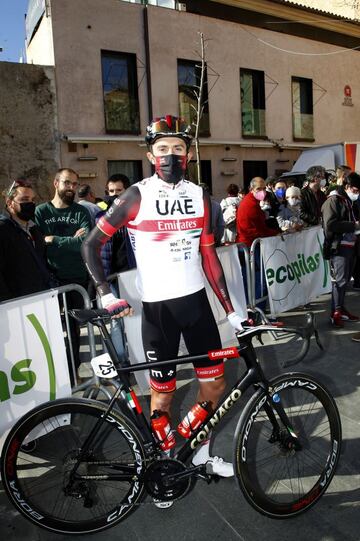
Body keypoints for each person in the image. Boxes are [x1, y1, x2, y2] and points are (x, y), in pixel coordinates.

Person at [82, 115, 245, 481]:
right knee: (162, 398)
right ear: (150, 154)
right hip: (158, 312)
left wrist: (231, 312)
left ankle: (200, 451)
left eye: (178, 148)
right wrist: (106, 295)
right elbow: (91, 244)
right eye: (162, 149)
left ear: (188, 153)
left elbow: (208, 255)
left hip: (197, 306)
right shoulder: (136, 195)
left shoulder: (199, 195)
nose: (170, 155)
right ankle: (164, 464)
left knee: (215, 385)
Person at [35, 168, 91, 383]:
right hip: (50, 278)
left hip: (76, 278)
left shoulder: (81, 212)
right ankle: (54, 375)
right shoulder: (41, 212)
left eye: (75, 184)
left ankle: (72, 373)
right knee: (51, 330)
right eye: (67, 183)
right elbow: (40, 244)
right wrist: (67, 240)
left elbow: (83, 244)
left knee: (73, 330)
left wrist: (54, 240)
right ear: (56, 183)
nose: (71, 188)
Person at [0, 180, 50, 302]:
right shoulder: (3, 230)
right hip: (15, 304)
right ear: (10, 203)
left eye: (33, 200)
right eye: (24, 199)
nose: (31, 203)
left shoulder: (35, 230)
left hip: (40, 298)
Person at [321, 172, 360, 327]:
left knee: (345, 280)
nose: (357, 194)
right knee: (340, 281)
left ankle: (341, 309)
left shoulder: (347, 200)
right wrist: (353, 225)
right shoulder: (333, 200)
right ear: (347, 187)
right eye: (356, 190)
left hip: (350, 244)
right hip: (339, 246)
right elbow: (330, 225)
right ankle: (336, 312)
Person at [236, 177, 279, 310]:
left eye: (264, 188)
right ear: (251, 189)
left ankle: (255, 310)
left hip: (250, 246)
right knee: (258, 282)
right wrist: (275, 233)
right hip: (250, 248)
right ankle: (256, 311)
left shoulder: (252, 202)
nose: (262, 191)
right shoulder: (250, 204)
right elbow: (258, 230)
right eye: (258, 189)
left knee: (254, 281)